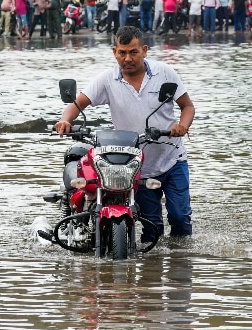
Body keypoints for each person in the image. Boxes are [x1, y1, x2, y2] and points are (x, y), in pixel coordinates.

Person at [53, 26, 195, 244]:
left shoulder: (165, 73)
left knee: (180, 218)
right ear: (114, 52)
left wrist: (182, 126)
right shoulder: (107, 79)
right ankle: (151, 273)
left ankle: (180, 264)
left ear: (145, 50)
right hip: (138, 167)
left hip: (172, 159)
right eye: (122, 52)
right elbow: (78, 103)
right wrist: (65, 120)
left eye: (133, 52)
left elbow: (187, 106)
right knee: (151, 227)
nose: (127, 58)